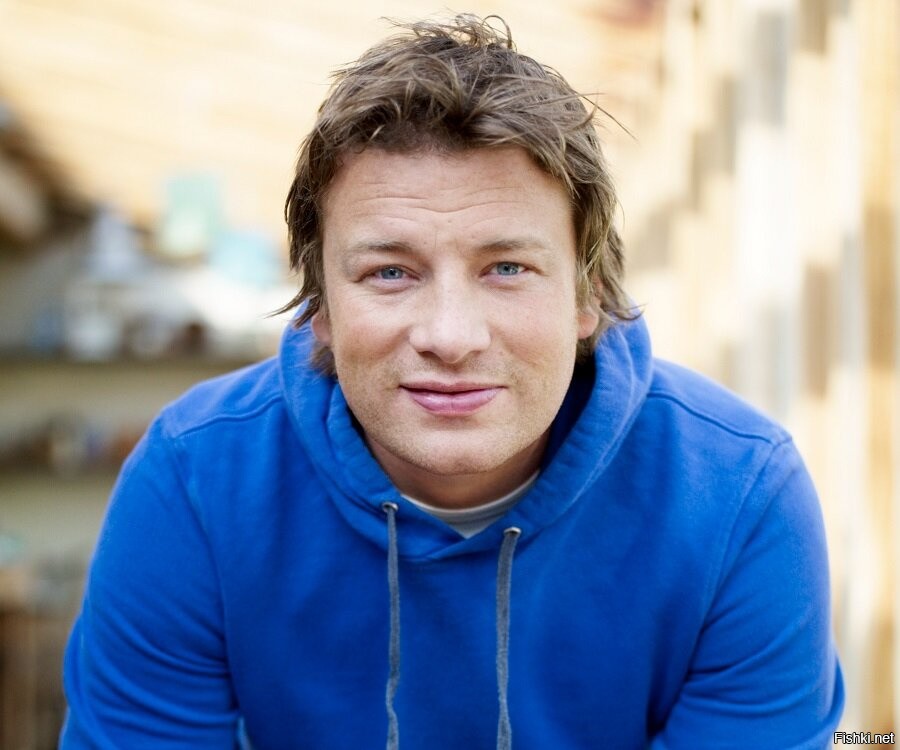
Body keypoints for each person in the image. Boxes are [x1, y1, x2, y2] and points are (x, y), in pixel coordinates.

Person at [61, 14, 844, 749]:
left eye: (507, 268)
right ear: (319, 308)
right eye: (390, 272)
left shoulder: (737, 494)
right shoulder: (195, 479)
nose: (450, 336)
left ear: (588, 297)